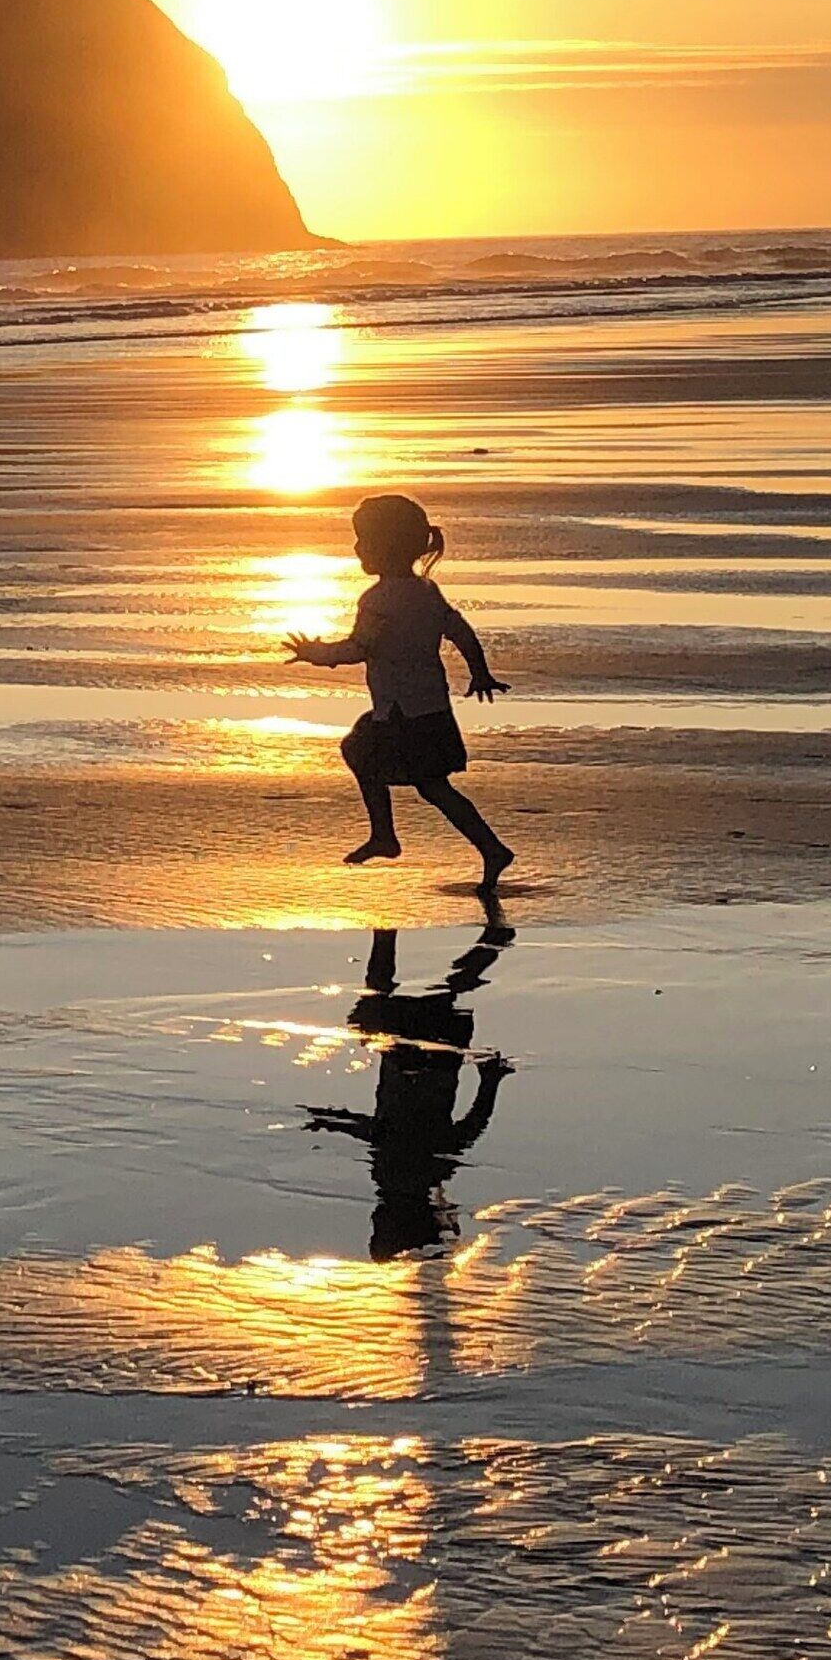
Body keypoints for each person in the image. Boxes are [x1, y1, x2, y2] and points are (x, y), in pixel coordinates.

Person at [284, 491, 512, 885]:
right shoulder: (427, 591)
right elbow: (461, 632)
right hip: (430, 708)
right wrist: (479, 672)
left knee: (362, 752)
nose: (357, 548)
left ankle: (386, 836)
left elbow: (359, 648)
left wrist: (315, 653)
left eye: (363, 539)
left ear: (383, 546)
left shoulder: (377, 600)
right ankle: (489, 849)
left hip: (400, 711)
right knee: (432, 786)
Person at [305, 918, 515, 1260]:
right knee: (373, 1007)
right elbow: (377, 1132)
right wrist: (332, 1121)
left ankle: (492, 942)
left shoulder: (433, 1174)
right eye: (378, 1227)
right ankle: (385, 934)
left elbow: (470, 1127)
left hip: (443, 1056)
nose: (373, 1219)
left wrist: (489, 1081)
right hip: (412, 1059)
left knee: (447, 993)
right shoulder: (395, 1177)